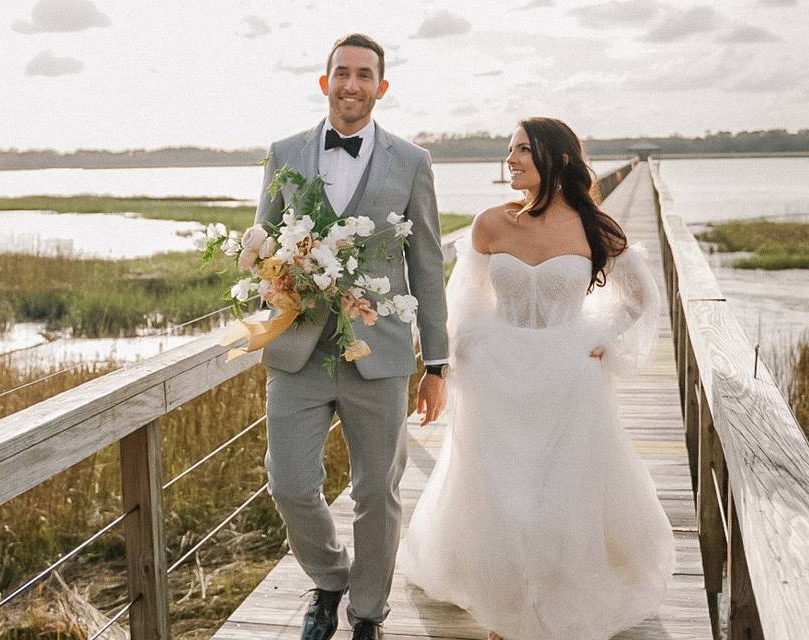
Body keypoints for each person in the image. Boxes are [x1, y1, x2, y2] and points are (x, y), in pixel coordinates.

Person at [401, 117, 676, 640]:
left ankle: (551, 592)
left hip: (568, 376)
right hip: (497, 375)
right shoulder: (490, 223)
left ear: (559, 159)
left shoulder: (595, 226)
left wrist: (606, 339)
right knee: (500, 488)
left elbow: (642, 297)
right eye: (509, 150)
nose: (511, 160)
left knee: (559, 488)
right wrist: (458, 358)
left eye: (522, 150)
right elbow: (464, 300)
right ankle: (506, 604)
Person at [255, 34, 450, 640]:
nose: (352, 84)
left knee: (377, 491)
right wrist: (275, 279)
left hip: (382, 352)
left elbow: (426, 262)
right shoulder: (283, 152)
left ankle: (367, 611)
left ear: (381, 87)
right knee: (288, 482)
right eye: (342, 72)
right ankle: (331, 577)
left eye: (365, 75)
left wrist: (436, 361)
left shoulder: (412, 162)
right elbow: (260, 241)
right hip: (299, 351)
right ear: (325, 81)